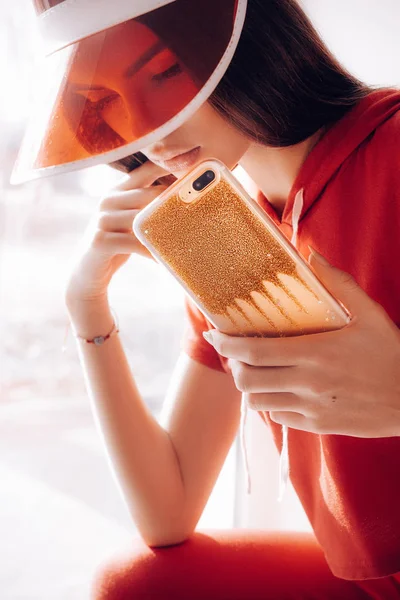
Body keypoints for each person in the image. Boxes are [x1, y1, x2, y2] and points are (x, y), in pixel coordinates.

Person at [15, 0, 400, 598]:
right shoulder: (224, 232)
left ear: (250, 40)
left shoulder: (394, 151)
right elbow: (168, 512)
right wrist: (87, 303)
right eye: (106, 99)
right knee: (132, 582)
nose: (146, 127)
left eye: (165, 72)